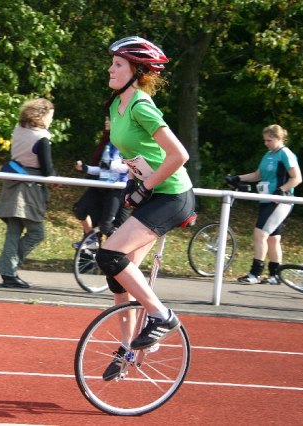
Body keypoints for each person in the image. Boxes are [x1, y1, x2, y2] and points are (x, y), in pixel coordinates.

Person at [95, 36, 196, 380]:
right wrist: (135, 184)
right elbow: (137, 154)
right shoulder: (116, 106)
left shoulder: (141, 105)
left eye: (118, 64)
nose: (111, 69)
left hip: (172, 196)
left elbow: (179, 155)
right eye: (112, 63)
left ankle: (160, 316)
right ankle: (127, 348)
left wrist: (146, 187)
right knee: (118, 274)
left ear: (137, 72)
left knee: (110, 255)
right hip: (150, 192)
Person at [225, 124, 302, 285]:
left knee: (260, 234)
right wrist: (237, 178)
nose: (266, 143)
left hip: (280, 201)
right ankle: (275, 275)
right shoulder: (268, 154)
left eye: (269, 140)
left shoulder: (285, 154)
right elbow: (257, 175)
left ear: (279, 138)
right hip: (266, 200)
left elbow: (297, 178)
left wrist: (281, 190)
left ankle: (255, 273)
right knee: (273, 239)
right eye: (265, 140)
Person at [0, 98, 57, 289]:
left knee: (13, 231)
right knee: (36, 232)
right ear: (41, 115)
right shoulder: (42, 138)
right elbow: (48, 170)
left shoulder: (19, 129)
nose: (51, 120)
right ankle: (7, 265)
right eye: (50, 116)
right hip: (30, 188)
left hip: (13, 181)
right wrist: (56, 178)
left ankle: (7, 270)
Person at [73, 116, 131, 244]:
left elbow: (130, 167)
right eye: (105, 119)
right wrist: (85, 168)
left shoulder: (127, 144)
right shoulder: (109, 144)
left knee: (107, 225)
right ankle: (92, 241)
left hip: (119, 188)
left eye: (109, 119)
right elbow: (102, 168)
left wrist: (109, 165)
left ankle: (119, 247)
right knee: (84, 212)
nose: (106, 122)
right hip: (104, 186)